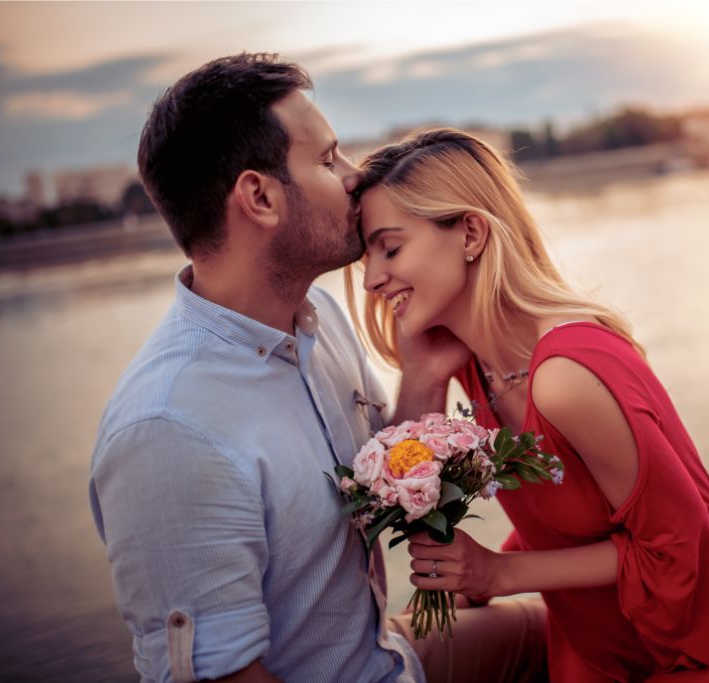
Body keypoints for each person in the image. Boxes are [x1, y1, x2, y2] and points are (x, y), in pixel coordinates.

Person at [89, 56, 544, 683]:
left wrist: (424, 375)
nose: (356, 176)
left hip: (384, 654)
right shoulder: (170, 432)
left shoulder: (317, 318)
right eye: (329, 160)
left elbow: (386, 494)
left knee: (565, 630)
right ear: (259, 197)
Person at [351, 128, 709, 681]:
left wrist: (499, 574)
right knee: (386, 655)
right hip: (595, 646)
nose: (374, 279)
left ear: (470, 232)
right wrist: (423, 375)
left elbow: (677, 550)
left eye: (391, 247)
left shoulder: (566, 375)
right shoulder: (478, 368)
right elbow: (424, 497)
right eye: (367, 258)